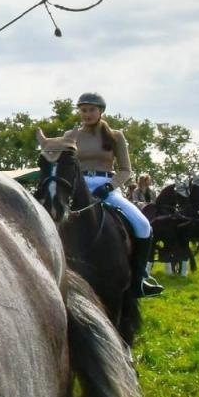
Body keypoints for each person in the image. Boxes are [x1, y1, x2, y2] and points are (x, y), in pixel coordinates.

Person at [55, 92, 160, 296]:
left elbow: (125, 169)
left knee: (143, 225)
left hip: (106, 186)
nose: (87, 114)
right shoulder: (70, 136)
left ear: (101, 111)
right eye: (83, 110)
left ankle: (139, 279)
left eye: (91, 110)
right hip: (78, 187)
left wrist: (110, 186)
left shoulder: (115, 135)